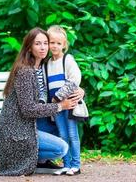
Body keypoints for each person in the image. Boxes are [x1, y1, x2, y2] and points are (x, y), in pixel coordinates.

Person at [0, 27, 83, 176]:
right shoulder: (25, 71)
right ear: (29, 47)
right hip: (17, 131)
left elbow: (54, 87)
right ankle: (33, 161)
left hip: (30, 123)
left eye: (45, 43)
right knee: (62, 148)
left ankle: (41, 161)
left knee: (62, 129)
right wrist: (60, 105)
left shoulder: (42, 67)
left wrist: (79, 90)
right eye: (38, 43)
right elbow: (28, 109)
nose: (43, 47)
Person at [45, 25, 82, 176]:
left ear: (64, 45)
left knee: (73, 134)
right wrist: (54, 102)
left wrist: (58, 97)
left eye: (58, 43)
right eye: (52, 42)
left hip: (69, 103)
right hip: (57, 106)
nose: (54, 46)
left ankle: (76, 165)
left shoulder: (67, 59)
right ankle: (66, 164)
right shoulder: (47, 63)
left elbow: (74, 80)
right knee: (62, 134)